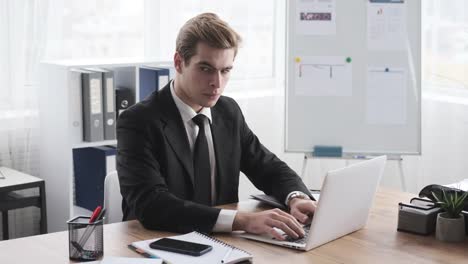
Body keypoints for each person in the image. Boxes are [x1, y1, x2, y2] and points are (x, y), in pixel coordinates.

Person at [117, 13, 316, 240]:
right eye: (205, 69)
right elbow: (151, 205)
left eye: (226, 70)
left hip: (223, 245)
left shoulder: (228, 111)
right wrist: (242, 220)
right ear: (179, 62)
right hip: (159, 243)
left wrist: (296, 197)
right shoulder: (138, 121)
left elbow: (268, 167)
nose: (217, 83)